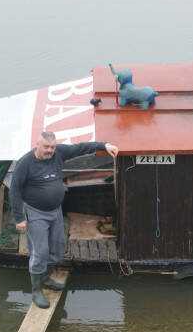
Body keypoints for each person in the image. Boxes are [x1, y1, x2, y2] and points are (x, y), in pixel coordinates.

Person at [10, 131, 119, 308]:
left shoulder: (59, 152)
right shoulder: (26, 163)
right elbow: (14, 190)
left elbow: (80, 148)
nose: (50, 151)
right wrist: (19, 218)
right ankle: (36, 290)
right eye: (46, 147)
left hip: (55, 211)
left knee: (58, 248)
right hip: (36, 212)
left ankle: (46, 278)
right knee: (40, 252)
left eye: (52, 147)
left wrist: (104, 146)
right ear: (37, 145)